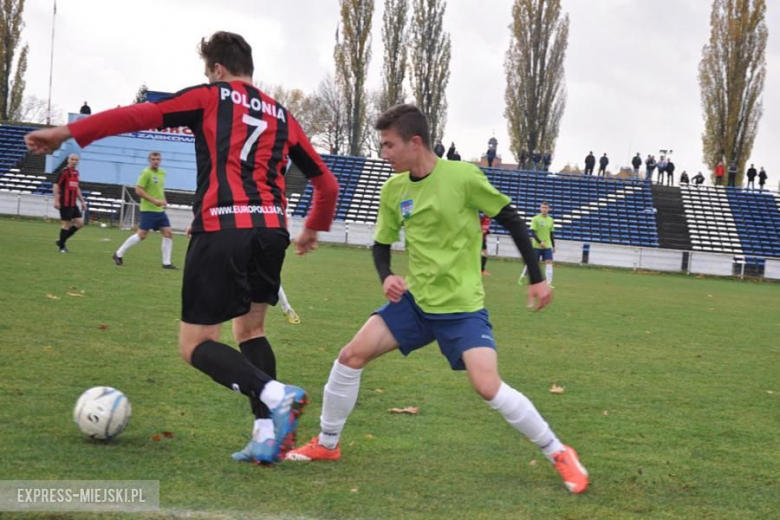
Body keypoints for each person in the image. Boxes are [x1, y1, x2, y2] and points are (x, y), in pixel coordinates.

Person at [25, 31, 340, 465]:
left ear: (217, 69)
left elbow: (140, 115)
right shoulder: (283, 115)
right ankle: (267, 435)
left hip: (224, 225)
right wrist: (313, 228)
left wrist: (68, 131)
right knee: (251, 331)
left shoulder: (212, 97)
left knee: (195, 344)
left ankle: (275, 394)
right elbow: (326, 181)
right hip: (271, 230)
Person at [285, 104, 589, 495]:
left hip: (462, 309)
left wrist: (536, 278)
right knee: (350, 357)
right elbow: (380, 246)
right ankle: (327, 444)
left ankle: (559, 451)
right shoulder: (393, 188)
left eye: (389, 145)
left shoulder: (462, 177)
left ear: (415, 142)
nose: (384, 153)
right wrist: (387, 277)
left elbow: (511, 218)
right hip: (415, 303)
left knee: (488, 386)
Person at [112, 152, 177, 269]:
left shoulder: (162, 172)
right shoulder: (146, 173)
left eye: (157, 159)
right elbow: (138, 190)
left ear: (160, 160)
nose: (155, 161)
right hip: (148, 210)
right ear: (149, 160)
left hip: (159, 211)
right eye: (153, 159)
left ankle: (166, 263)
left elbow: (160, 189)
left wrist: (164, 200)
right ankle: (118, 254)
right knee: (142, 235)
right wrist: (153, 201)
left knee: (168, 233)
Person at [53, 154, 87, 253]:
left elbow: (77, 188)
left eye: (76, 160)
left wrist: (82, 201)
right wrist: (56, 200)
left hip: (73, 203)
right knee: (66, 225)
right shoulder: (64, 172)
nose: (74, 161)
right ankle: (61, 247)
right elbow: (55, 185)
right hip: (65, 202)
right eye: (72, 159)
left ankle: (61, 241)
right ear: (68, 160)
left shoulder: (76, 172)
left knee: (80, 223)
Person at [519, 202, 555, 287]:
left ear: (549, 209)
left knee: (549, 262)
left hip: (547, 245)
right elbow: (532, 232)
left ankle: (549, 283)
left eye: (546, 207)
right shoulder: (536, 219)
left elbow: (551, 234)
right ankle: (522, 276)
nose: (544, 209)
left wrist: (553, 245)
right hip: (536, 245)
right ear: (540, 208)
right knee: (532, 264)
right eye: (542, 207)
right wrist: (540, 242)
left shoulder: (551, 220)